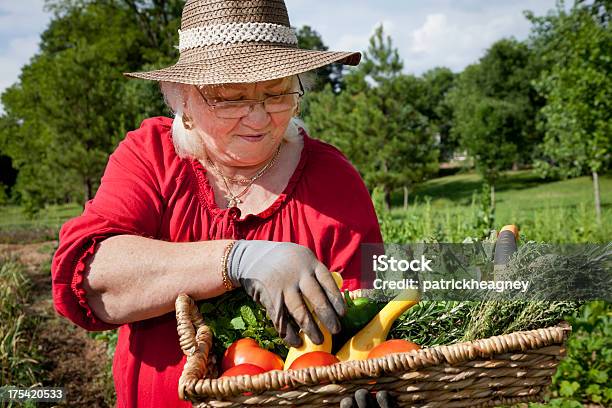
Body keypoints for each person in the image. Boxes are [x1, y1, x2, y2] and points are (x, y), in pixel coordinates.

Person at [51, 0, 386, 406]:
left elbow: (371, 307)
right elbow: (92, 279)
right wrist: (237, 260)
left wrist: (368, 379)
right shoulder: (151, 156)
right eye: (230, 98)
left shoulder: (333, 180)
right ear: (183, 100)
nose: (259, 118)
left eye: (277, 92)